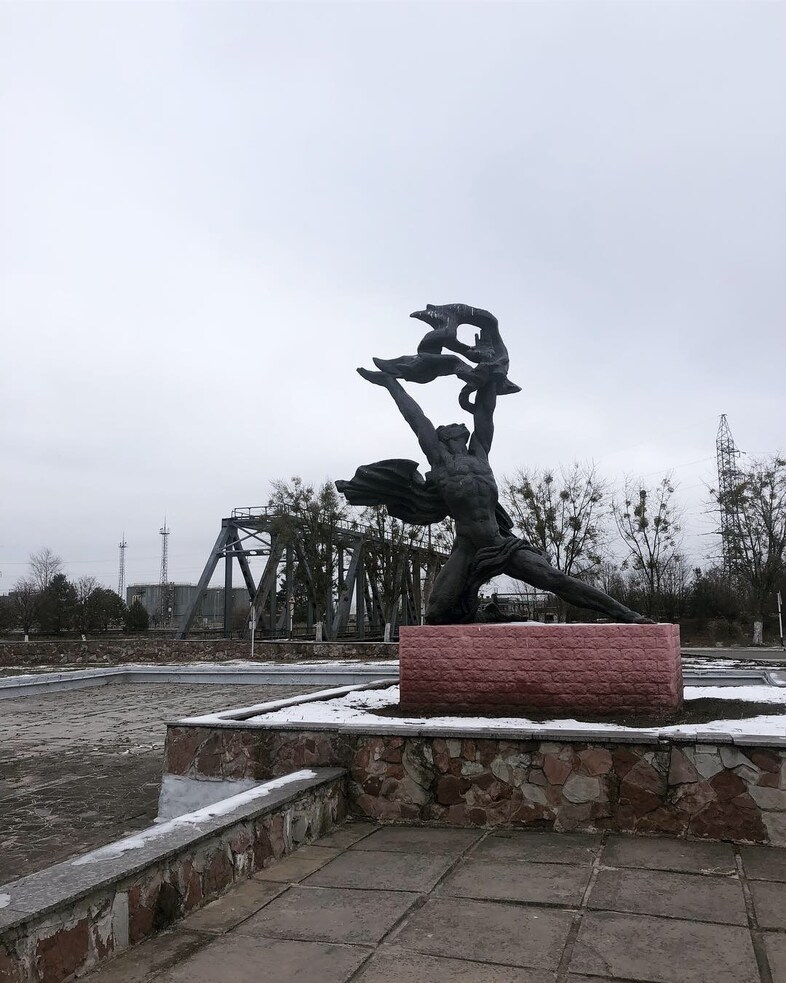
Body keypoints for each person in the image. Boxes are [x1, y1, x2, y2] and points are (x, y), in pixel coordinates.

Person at [353, 364, 650, 625]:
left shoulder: (480, 454)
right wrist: (391, 383)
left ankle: (629, 616)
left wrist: (490, 377)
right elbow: (417, 419)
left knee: (555, 579)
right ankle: (478, 617)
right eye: (450, 425)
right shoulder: (441, 462)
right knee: (436, 612)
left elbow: (485, 411)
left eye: (461, 424)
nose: (459, 423)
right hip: (468, 546)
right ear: (444, 436)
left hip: (499, 542)